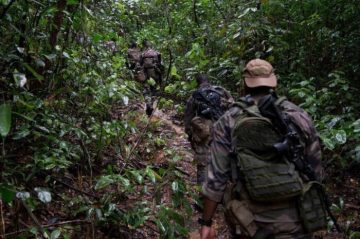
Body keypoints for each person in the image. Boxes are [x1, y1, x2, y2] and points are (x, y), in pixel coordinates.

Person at [199, 59, 325, 239]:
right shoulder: (299, 116)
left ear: (244, 84)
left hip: (250, 224)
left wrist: (206, 222)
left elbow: (216, 180)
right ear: (274, 82)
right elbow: (316, 173)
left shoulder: (228, 121)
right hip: (297, 221)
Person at [184, 74, 234, 185]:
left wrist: (190, 134)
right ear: (209, 81)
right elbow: (233, 107)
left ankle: (202, 196)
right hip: (222, 128)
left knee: (203, 163)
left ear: (198, 83)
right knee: (226, 159)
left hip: (203, 130)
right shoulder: (221, 91)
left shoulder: (194, 96)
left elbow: (188, 117)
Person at [140, 40, 164, 116]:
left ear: (145, 47)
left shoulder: (143, 54)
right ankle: (152, 103)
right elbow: (161, 65)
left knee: (146, 90)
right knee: (154, 90)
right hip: (155, 74)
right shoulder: (157, 53)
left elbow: (140, 65)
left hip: (146, 74)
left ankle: (148, 104)